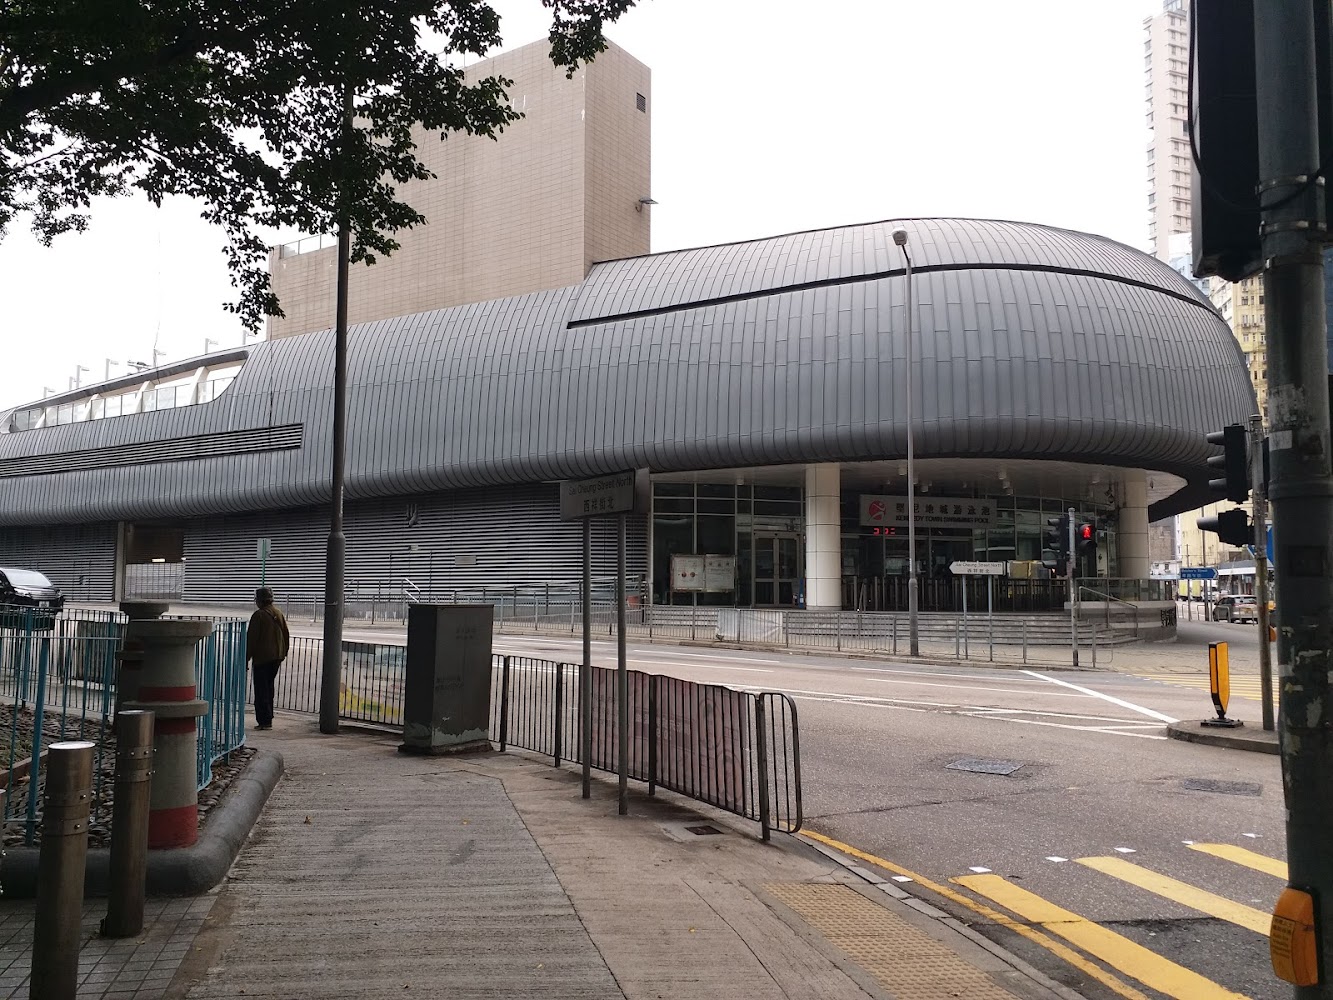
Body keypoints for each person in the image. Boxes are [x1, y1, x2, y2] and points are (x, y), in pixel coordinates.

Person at [246, 587, 290, 731]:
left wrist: (245, 658)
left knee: (261, 689)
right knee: (269, 688)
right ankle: (268, 718)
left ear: (259, 601)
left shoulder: (258, 615)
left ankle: (264, 721)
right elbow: (286, 633)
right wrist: (284, 652)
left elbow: (251, 640)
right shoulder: (278, 612)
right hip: (276, 657)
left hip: (263, 658)